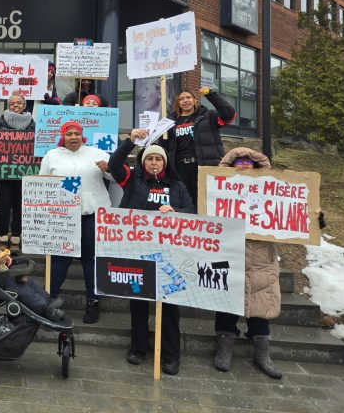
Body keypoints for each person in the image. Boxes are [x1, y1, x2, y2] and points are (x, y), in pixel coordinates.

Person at [108, 130, 195, 376]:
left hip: (169, 254)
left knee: (169, 306)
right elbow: (115, 163)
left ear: (165, 163)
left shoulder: (177, 186)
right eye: (149, 159)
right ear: (143, 161)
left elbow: (191, 210)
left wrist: (176, 211)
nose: (154, 163)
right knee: (138, 301)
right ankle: (138, 347)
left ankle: (170, 355)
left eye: (158, 159)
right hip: (137, 250)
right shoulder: (132, 180)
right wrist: (131, 141)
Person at [213, 148, 282, 379]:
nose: (243, 164)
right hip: (231, 252)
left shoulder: (273, 191)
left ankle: (262, 352)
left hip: (262, 257)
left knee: (261, 303)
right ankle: (225, 346)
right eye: (239, 161)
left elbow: (289, 215)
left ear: (255, 165)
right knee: (227, 300)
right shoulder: (218, 192)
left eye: (248, 161)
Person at [39, 121, 113, 324]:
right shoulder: (51, 156)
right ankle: (49, 300)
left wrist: (110, 168)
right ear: (63, 137)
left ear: (82, 136)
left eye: (77, 134)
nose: (73, 137)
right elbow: (42, 184)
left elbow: (116, 178)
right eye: (69, 134)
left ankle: (93, 302)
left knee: (92, 261)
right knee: (59, 261)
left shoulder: (97, 153)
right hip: (63, 218)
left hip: (92, 217)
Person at [0, 213, 66, 323]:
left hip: (3, 272)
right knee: (23, 290)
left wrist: (5, 257)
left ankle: (49, 301)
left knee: (28, 283)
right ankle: (46, 309)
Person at [165, 87, 236, 203]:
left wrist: (211, 95)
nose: (185, 100)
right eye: (181, 99)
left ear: (194, 100)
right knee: (183, 201)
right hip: (180, 169)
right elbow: (164, 147)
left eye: (188, 97)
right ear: (178, 103)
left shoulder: (209, 116)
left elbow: (229, 115)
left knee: (206, 201)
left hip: (203, 166)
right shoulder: (170, 122)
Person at [0, 93, 34, 253]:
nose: (16, 105)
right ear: (8, 106)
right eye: (13, 103)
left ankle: (16, 237)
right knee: (5, 204)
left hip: (24, 172)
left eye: (19, 103)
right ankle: (2, 236)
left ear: (24, 106)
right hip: (3, 172)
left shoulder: (32, 123)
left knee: (19, 205)